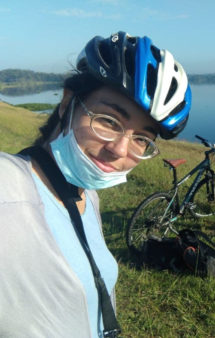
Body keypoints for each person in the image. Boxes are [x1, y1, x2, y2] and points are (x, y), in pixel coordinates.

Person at [0, 31, 191, 337]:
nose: (120, 149)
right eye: (109, 121)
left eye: (142, 139)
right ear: (67, 104)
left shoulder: (87, 196)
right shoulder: (8, 186)